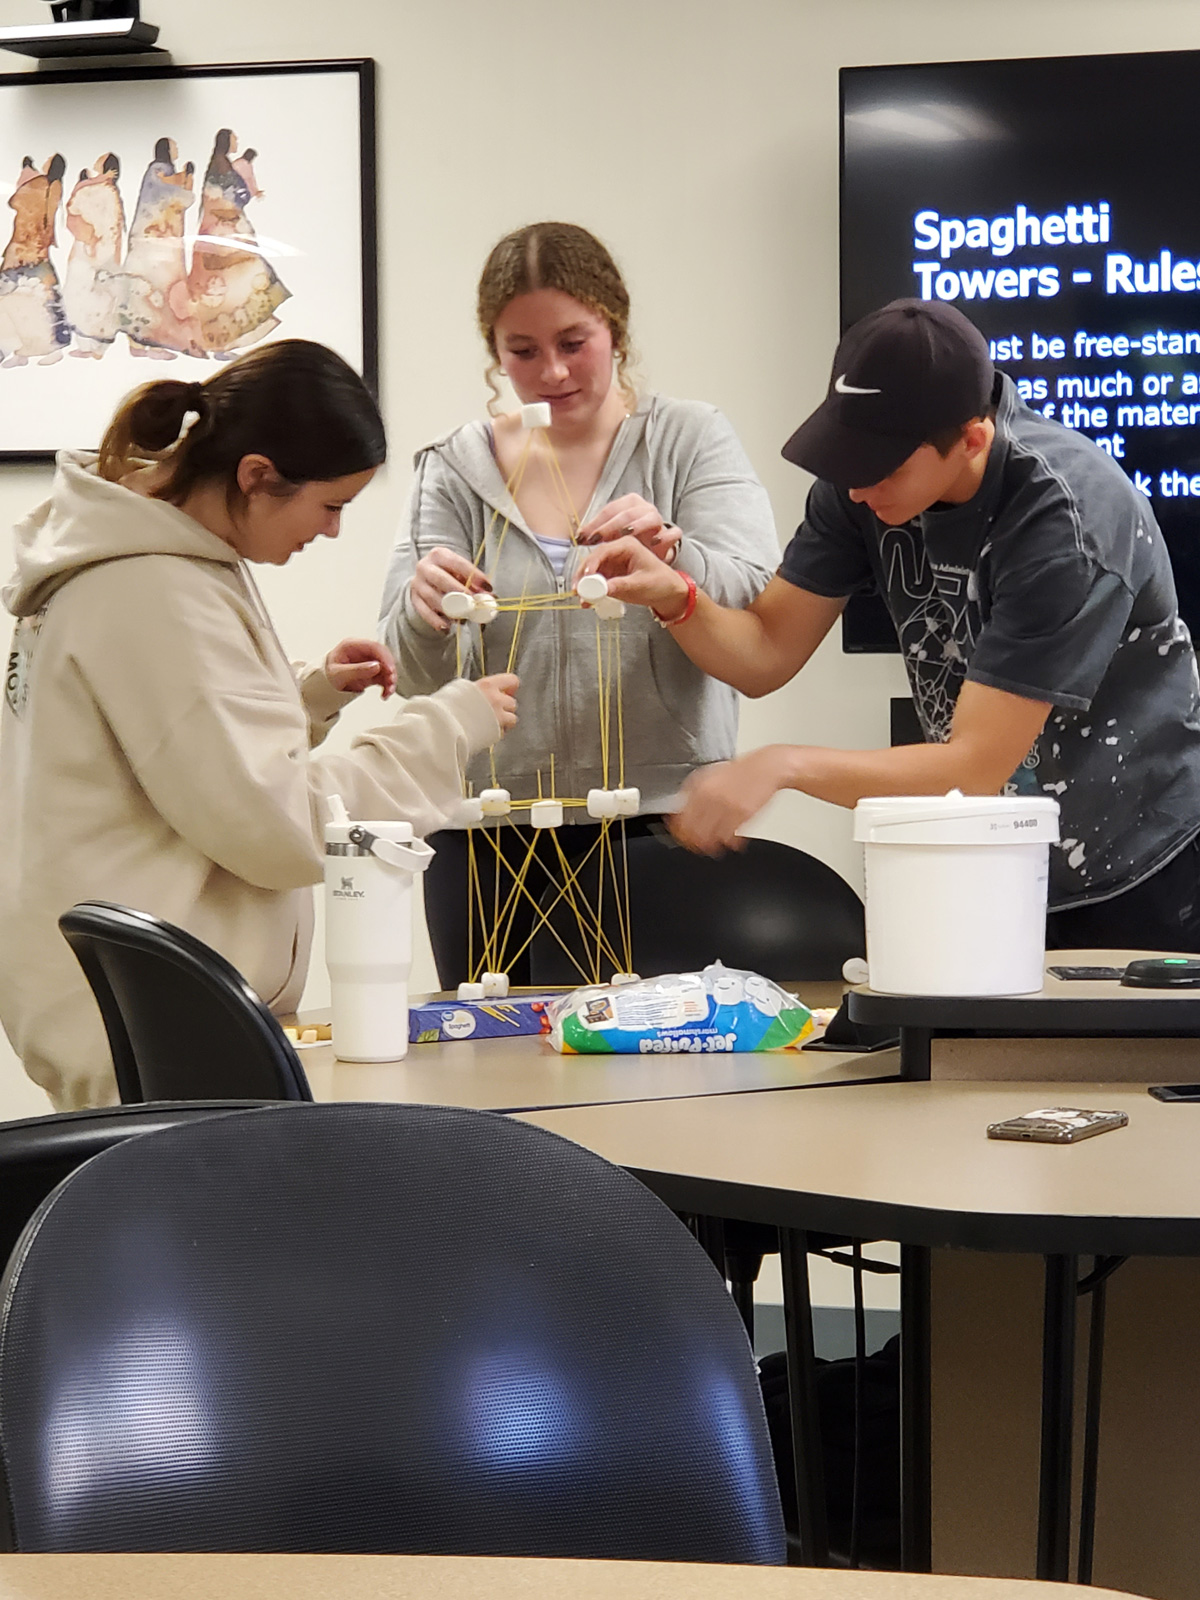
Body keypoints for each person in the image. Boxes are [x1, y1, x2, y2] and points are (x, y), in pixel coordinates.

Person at [580, 298, 1200, 952]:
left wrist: (783, 764)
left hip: (1136, 868)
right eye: (847, 462)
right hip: (983, 857)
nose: (856, 490)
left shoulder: (1066, 524)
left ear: (972, 440)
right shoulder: (862, 482)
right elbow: (765, 651)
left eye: (883, 469)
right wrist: (676, 597)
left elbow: (973, 767)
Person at [0, 339, 518, 1110]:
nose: (335, 532)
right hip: (152, 1034)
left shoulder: (146, 562)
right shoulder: (151, 588)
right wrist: (446, 727)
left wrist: (304, 698)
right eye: (332, 504)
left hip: (134, 1017)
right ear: (255, 477)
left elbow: (170, 760)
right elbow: (276, 821)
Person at [379, 221, 779, 985]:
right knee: (492, 1078)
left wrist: (674, 560)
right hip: (486, 832)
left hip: (659, 823)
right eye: (521, 352)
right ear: (493, 351)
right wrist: (422, 607)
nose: (552, 372)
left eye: (575, 341)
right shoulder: (451, 469)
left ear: (615, 329)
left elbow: (754, 598)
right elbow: (413, 675)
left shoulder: (689, 440)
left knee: (655, 1083)